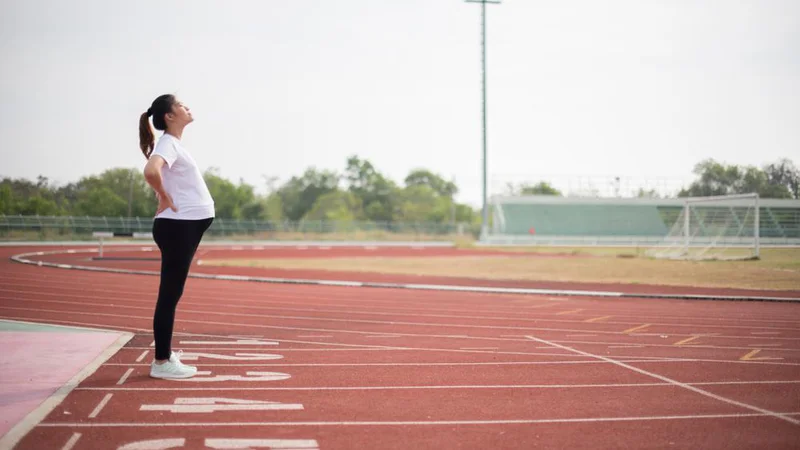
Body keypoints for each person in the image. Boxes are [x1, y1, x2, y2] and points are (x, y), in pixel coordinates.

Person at [139, 94, 215, 379]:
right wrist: (163, 195)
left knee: (172, 293)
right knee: (169, 295)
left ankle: (165, 355)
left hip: (183, 225)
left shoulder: (173, 145)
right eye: (181, 105)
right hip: (178, 226)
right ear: (169, 116)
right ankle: (161, 362)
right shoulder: (168, 144)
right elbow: (150, 171)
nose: (187, 107)